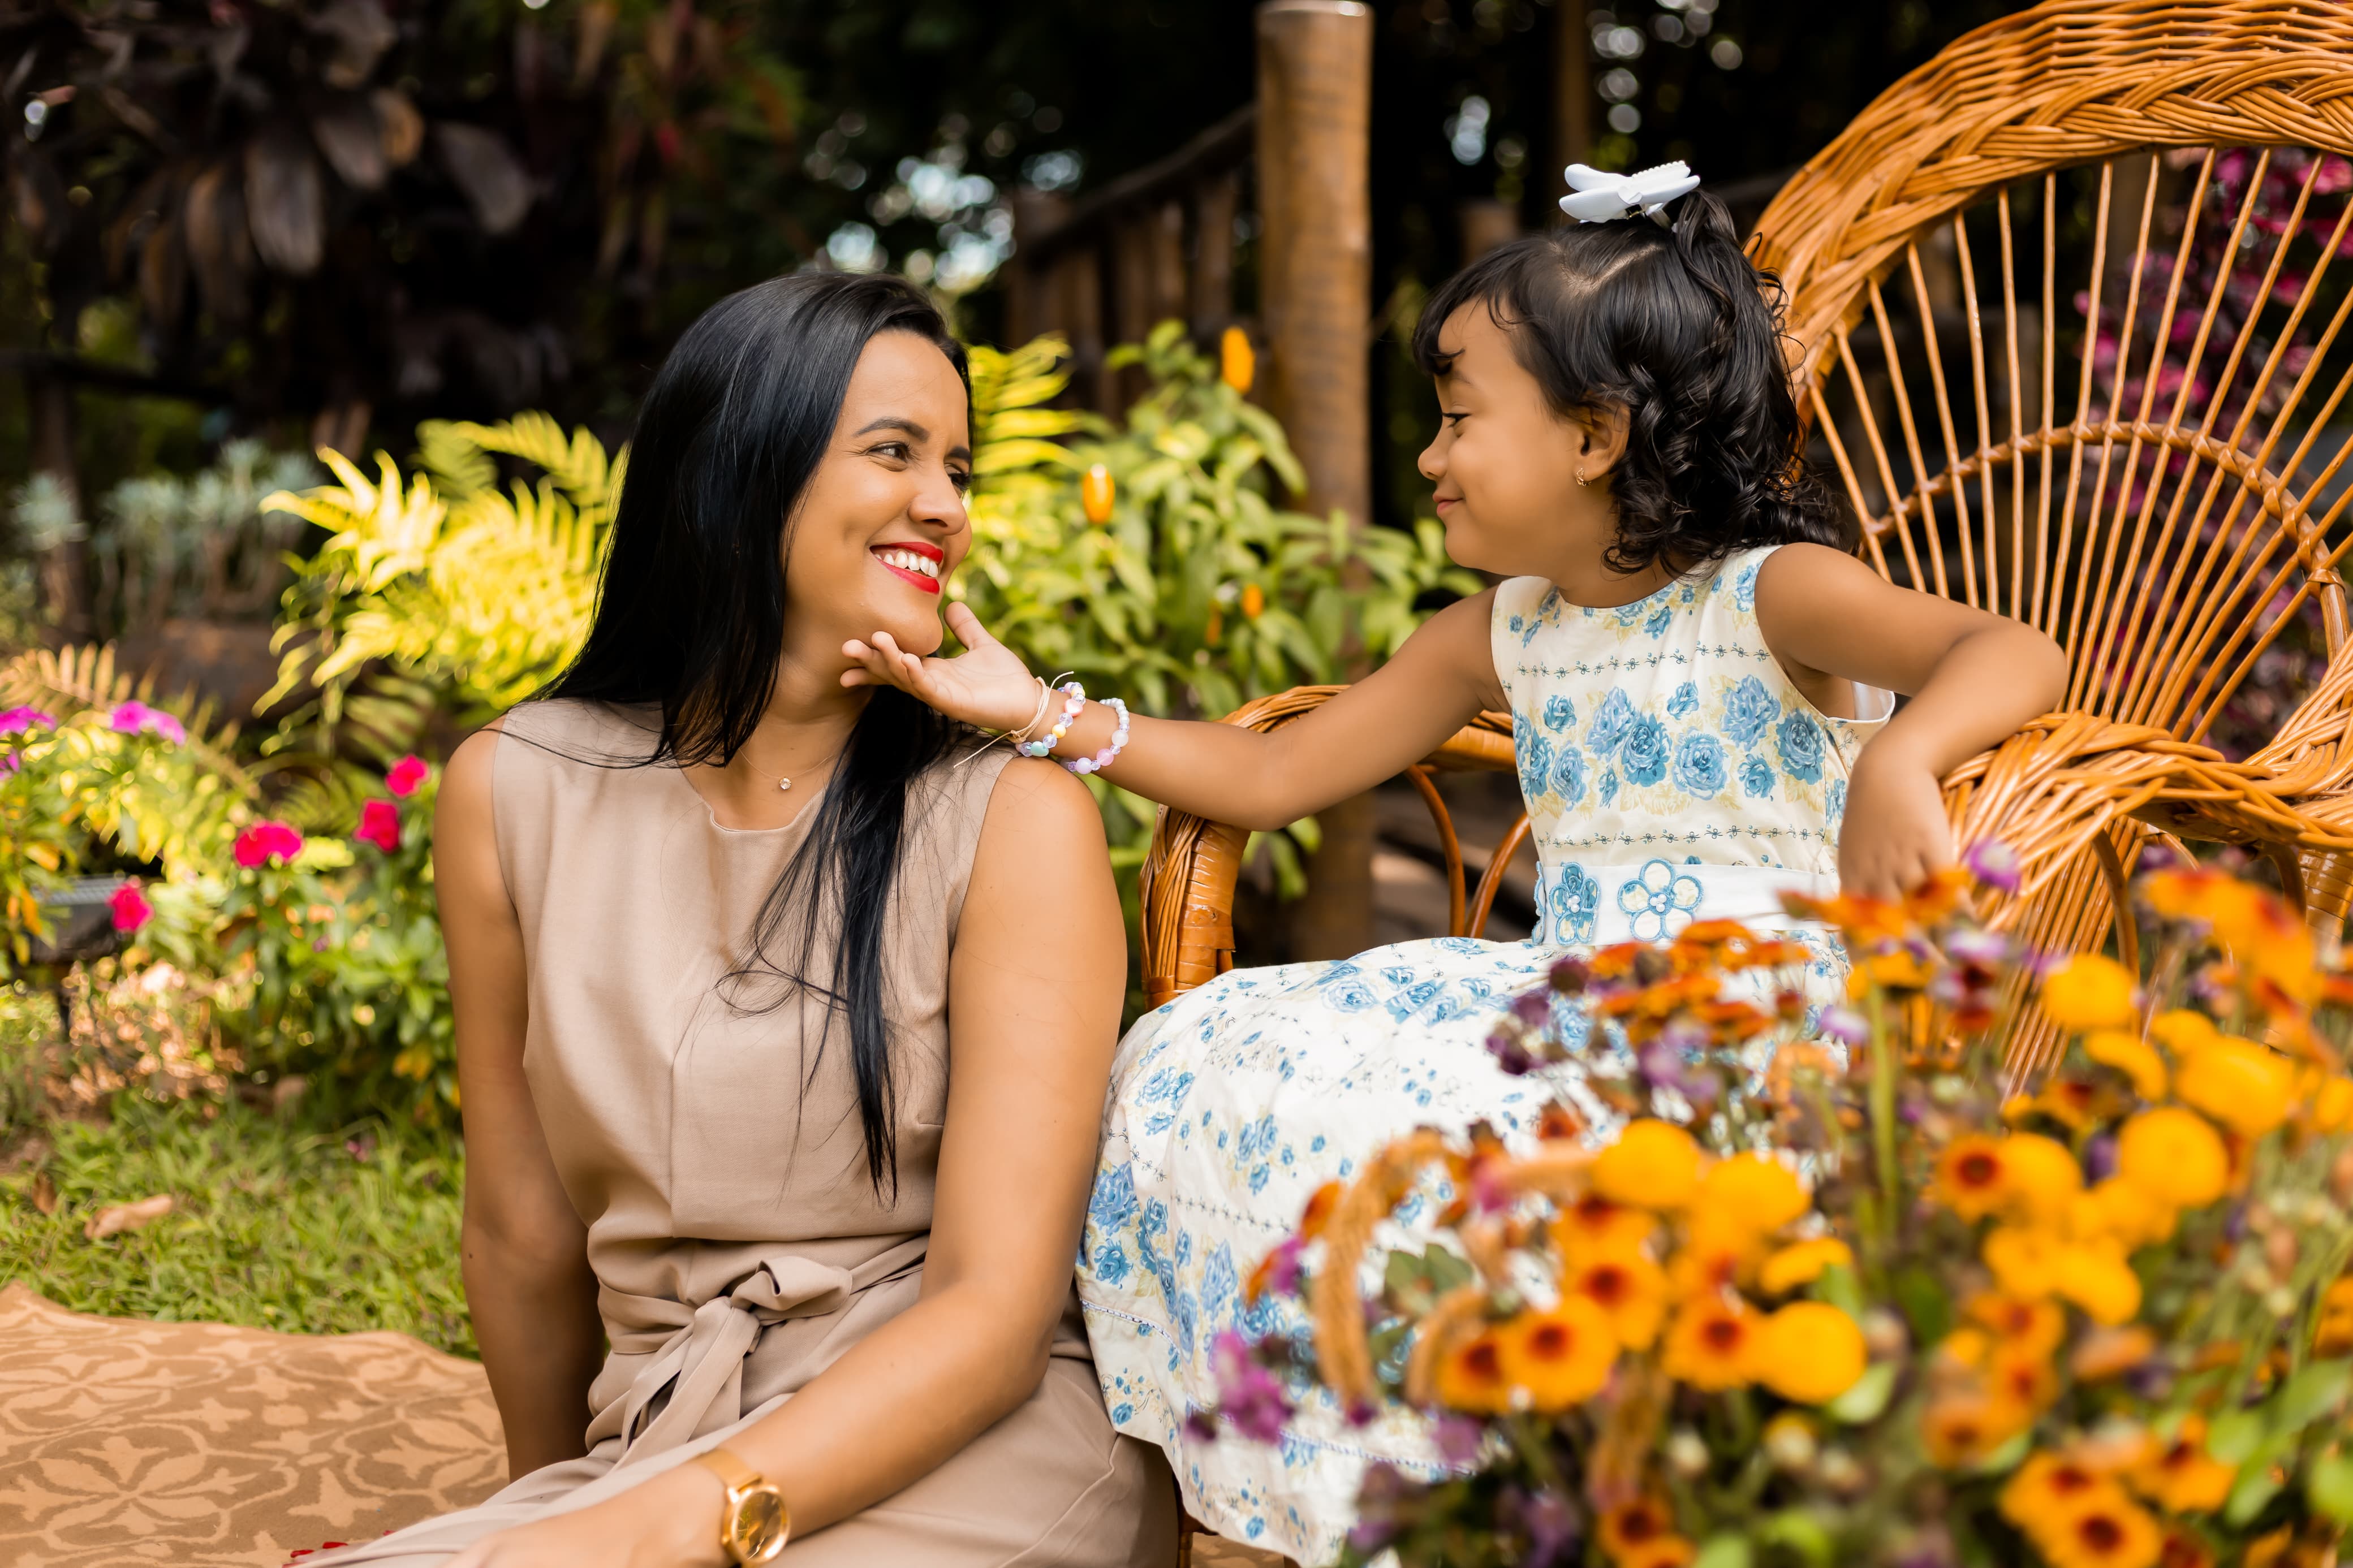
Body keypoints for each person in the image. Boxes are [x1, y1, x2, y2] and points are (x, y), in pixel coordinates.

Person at [842, 184, 2069, 1562]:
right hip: (1567, 995)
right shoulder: (1501, 631)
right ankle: (1263, 1502)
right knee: (1197, 1057)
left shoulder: (1771, 594)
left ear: (1595, 437)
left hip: (1744, 1025)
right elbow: (1269, 776)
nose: (1429, 455)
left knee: (1441, 1147)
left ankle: (1451, 1507)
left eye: (1458, 415)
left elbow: (2011, 653)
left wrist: (1905, 760)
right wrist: (1042, 713)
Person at [317, 274, 1175, 1568]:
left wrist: (650, 1531)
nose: (944, 503)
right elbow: (521, 1228)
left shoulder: (1011, 819)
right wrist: (546, 1518)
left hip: (970, 1442)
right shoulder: (514, 788)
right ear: (738, 467)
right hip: (666, 1432)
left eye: (957, 464)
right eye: (894, 451)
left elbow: (996, 1321)